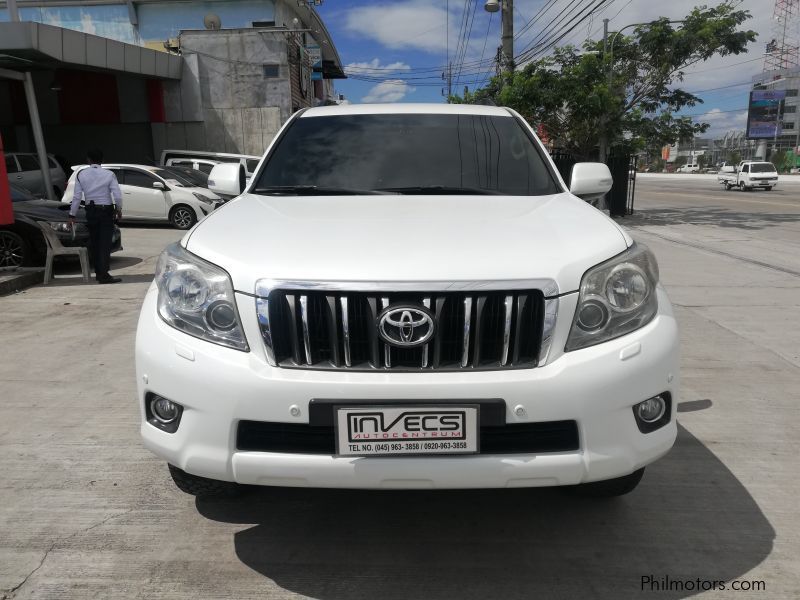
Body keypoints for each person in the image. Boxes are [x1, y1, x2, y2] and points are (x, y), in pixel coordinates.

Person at [68, 149, 122, 284]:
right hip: (105, 211)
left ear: (88, 160)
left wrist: (72, 214)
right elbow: (117, 195)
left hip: (90, 211)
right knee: (105, 243)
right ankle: (104, 275)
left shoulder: (81, 174)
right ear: (102, 160)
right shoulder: (109, 174)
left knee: (95, 242)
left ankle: (99, 273)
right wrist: (118, 209)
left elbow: (76, 196)